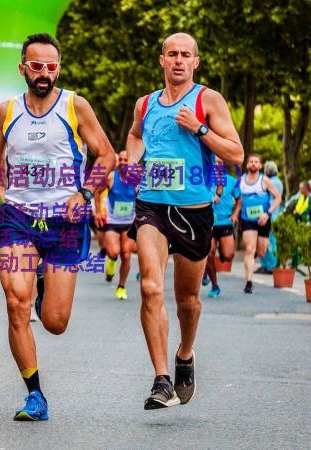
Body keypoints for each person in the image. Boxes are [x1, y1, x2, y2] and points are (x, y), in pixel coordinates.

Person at [0, 33, 116, 421]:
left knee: (54, 321)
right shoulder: (7, 110)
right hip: (18, 217)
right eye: (35, 66)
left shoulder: (75, 106)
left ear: (58, 70)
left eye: (50, 67)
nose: (43, 73)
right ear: (22, 68)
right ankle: (35, 395)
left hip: (65, 222)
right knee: (14, 303)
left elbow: (106, 155)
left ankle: (43, 289)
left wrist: (85, 193)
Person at [126, 32, 244, 409]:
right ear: (161, 60)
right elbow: (133, 136)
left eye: (185, 55)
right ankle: (162, 380)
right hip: (152, 206)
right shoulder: (144, 104)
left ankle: (185, 353)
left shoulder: (208, 100)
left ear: (196, 61)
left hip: (194, 211)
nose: (178, 60)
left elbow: (236, 153)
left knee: (187, 300)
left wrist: (200, 128)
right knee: (149, 287)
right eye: (172, 54)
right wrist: (132, 159)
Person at [232, 154, 281, 294]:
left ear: (260, 166)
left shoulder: (264, 180)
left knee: (261, 251)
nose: (253, 164)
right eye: (251, 162)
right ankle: (249, 282)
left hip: (263, 220)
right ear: (247, 165)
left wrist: (268, 214)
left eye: (256, 162)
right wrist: (235, 213)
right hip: (247, 220)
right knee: (249, 248)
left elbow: (278, 198)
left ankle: (251, 261)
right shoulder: (240, 181)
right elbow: (236, 199)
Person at [102, 150, 138, 300]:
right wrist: (98, 212)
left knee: (126, 254)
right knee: (114, 252)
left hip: (129, 222)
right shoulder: (111, 177)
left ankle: (121, 286)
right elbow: (97, 192)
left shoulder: (138, 179)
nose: (123, 162)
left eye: (126, 160)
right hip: (112, 221)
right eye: (121, 160)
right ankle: (110, 262)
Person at [203, 158, 239, 298]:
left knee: (228, 256)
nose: (217, 165)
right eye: (214, 162)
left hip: (225, 222)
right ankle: (215, 285)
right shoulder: (203, 178)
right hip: (208, 223)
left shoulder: (231, 180)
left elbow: (239, 199)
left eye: (220, 163)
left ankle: (220, 256)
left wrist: (235, 214)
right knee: (209, 254)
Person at [259, 161, 284, 273]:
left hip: (269, 215)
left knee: (269, 241)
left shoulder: (270, 182)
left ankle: (270, 265)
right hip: (275, 215)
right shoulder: (279, 182)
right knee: (268, 241)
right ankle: (267, 264)